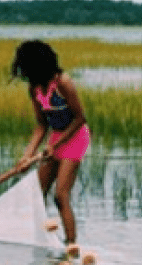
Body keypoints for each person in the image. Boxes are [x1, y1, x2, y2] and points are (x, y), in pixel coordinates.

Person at [11, 40, 90, 245]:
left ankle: (71, 244)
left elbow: (80, 118)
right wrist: (27, 156)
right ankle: (40, 237)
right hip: (55, 137)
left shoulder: (63, 82)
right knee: (37, 193)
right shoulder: (34, 89)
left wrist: (55, 146)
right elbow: (41, 125)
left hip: (76, 137)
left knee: (60, 195)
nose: (25, 74)